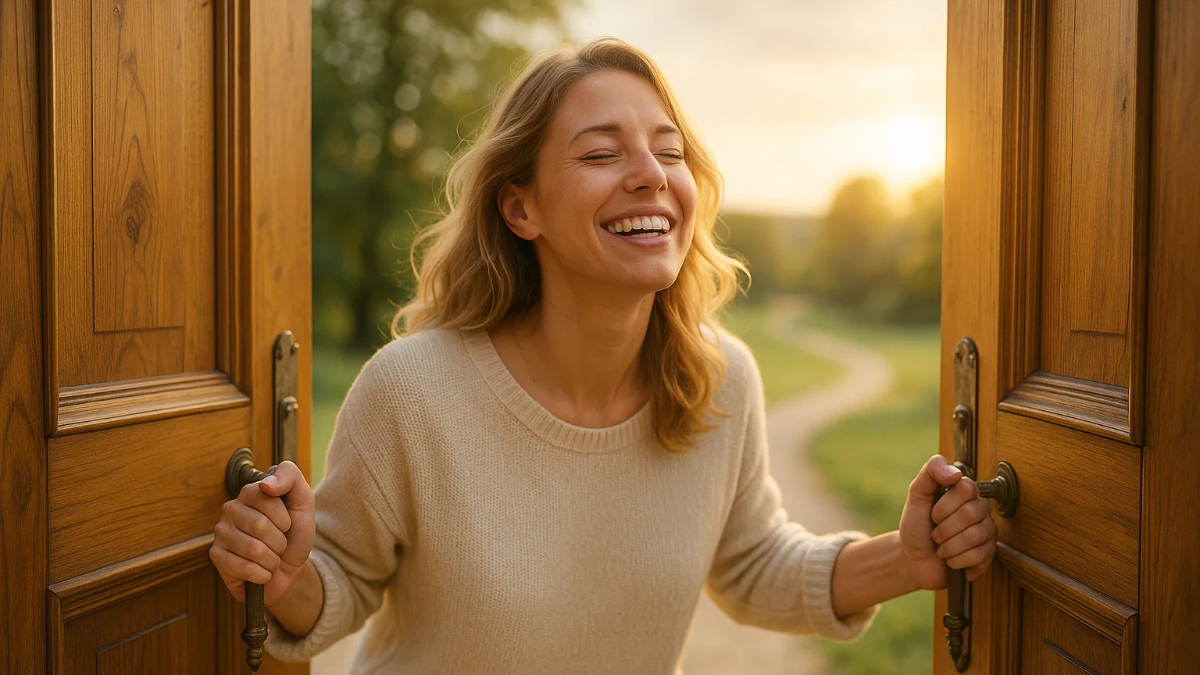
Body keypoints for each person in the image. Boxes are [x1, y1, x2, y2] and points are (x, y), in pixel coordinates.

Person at [209, 37, 997, 674]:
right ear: (521, 207)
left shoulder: (723, 379)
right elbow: (337, 589)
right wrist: (283, 576)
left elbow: (754, 563)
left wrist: (908, 557)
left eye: (669, 150)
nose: (651, 175)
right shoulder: (412, 390)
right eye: (599, 155)